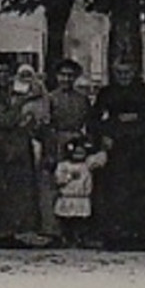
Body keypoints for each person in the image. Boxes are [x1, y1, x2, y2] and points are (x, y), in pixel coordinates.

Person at [86, 60, 145, 251]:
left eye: (127, 73)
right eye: (119, 73)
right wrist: (104, 134)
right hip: (117, 147)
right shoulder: (107, 92)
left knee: (144, 189)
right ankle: (116, 235)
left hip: (143, 147)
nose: (123, 77)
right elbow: (94, 118)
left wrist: (137, 117)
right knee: (117, 190)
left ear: (134, 72)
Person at [0, 60, 42, 249]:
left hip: (21, 142)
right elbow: (4, 120)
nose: (3, 76)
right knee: (0, 187)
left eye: (6, 71)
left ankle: (15, 230)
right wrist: (23, 101)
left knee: (19, 187)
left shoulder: (15, 93)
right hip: (2, 146)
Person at [36, 58, 93, 247]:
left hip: (76, 143)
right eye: (63, 75)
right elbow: (43, 125)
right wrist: (49, 146)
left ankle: (78, 231)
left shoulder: (82, 99)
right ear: (57, 77)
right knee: (53, 185)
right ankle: (54, 232)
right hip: (55, 142)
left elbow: (90, 123)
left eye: (70, 75)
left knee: (78, 184)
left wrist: (85, 145)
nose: (66, 79)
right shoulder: (50, 99)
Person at [52, 137, 108, 249]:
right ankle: (67, 238)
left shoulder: (86, 165)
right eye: (76, 153)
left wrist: (102, 149)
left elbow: (99, 161)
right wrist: (69, 177)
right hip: (68, 197)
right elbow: (58, 180)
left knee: (81, 221)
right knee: (66, 220)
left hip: (82, 197)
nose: (78, 156)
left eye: (81, 153)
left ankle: (80, 238)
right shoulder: (63, 165)